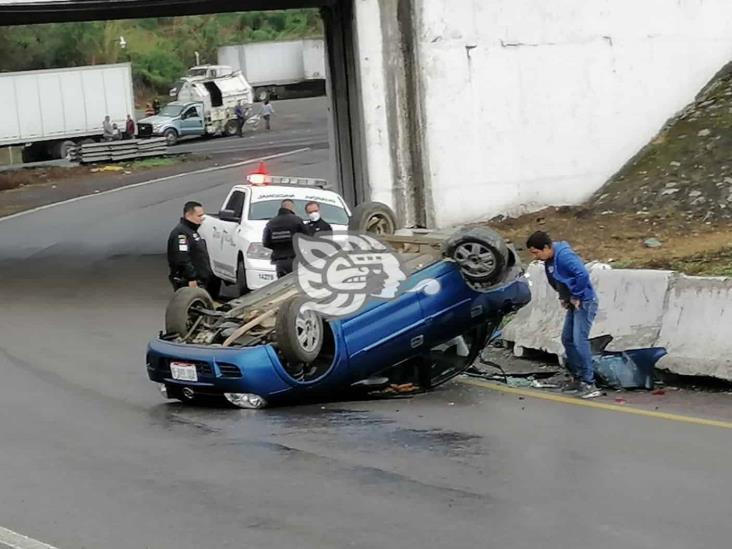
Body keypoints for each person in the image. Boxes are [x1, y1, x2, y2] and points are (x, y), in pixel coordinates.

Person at [526, 231, 600, 399]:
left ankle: (589, 382)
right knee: (567, 339)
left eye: (537, 252)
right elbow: (558, 280)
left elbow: (582, 274)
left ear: (546, 247)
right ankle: (577, 377)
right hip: (572, 302)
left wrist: (576, 295)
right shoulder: (550, 260)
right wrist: (564, 297)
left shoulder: (564, 256)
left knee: (579, 340)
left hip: (584, 302)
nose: (536, 257)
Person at [167, 201, 218, 297]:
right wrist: (191, 278)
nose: (202, 218)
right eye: (199, 216)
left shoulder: (191, 231)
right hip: (189, 282)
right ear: (188, 215)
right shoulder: (181, 233)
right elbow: (182, 258)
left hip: (199, 280)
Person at [262, 199, 307, 278]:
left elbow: (266, 242)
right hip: (295, 258)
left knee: (282, 285)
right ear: (292, 207)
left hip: (279, 260)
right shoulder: (297, 220)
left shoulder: (271, 223)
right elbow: (306, 238)